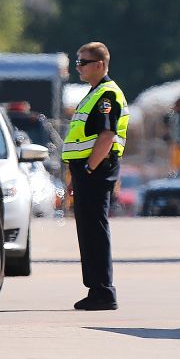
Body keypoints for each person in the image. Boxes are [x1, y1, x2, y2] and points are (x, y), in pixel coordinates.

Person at [62, 42, 130, 311]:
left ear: (100, 65)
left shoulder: (106, 95)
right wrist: (75, 176)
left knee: (95, 229)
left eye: (83, 62)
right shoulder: (94, 93)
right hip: (87, 170)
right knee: (88, 230)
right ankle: (96, 289)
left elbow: (106, 135)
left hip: (96, 169)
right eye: (77, 62)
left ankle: (103, 291)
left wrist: (89, 169)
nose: (78, 67)